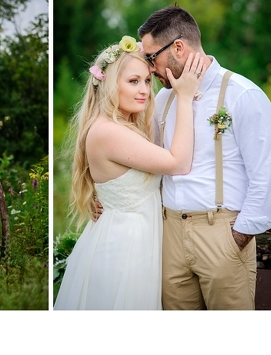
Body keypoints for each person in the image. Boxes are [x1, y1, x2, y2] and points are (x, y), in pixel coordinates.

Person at [139, 6, 271, 310]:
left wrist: (236, 239)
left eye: (152, 58)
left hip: (222, 234)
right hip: (169, 235)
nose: (149, 69)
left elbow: (265, 177)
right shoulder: (162, 99)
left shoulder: (243, 95)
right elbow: (146, 159)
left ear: (178, 47)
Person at [54, 35, 206, 310]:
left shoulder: (119, 126)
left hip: (134, 239)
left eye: (147, 81)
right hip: (125, 249)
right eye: (133, 81)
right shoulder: (109, 132)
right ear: (110, 84)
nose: (145, 90)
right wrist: (184, 98)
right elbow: (179, 163)